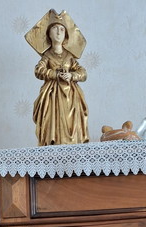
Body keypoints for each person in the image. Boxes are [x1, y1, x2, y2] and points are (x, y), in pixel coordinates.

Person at [26, 10, 88, 145]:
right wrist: (55, 74)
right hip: (52, 95)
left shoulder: (70, 57)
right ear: (48, 33)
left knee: (71, 122)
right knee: (52, 120)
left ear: (66, 34)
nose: (58, 32)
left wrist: (72, 75)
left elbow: (83, 73)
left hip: (71, 97)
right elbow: (39, 70)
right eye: (54, 28)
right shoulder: (47, 56)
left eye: (61, 29)